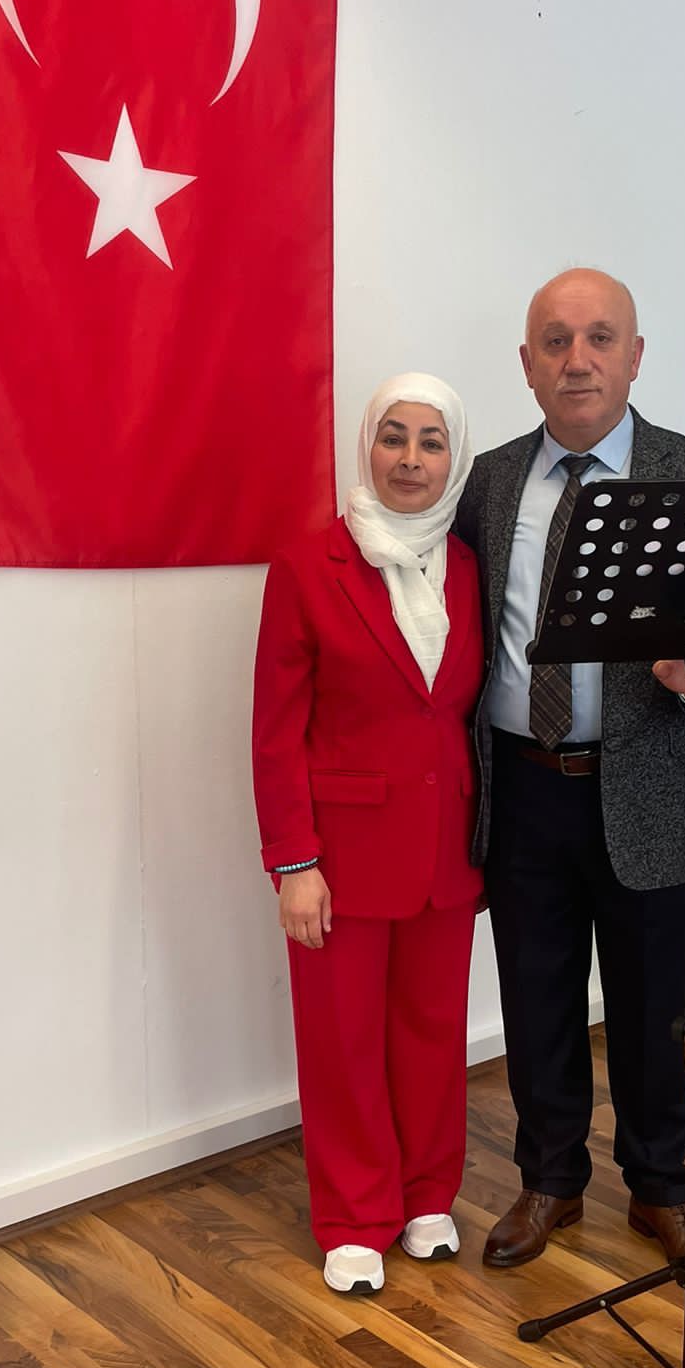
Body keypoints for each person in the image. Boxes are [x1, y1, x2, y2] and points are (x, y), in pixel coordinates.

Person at [456, 268, 685, 1269]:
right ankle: (549, 1177)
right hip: (523, 784)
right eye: (555, 341)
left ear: (636, 356)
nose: (577, 360)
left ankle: (661, 1185)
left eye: (599, 338)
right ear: (528, 364)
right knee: (536, 997)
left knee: (649, 1007)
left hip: (652, 785)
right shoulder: (490, 481)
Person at [253, 375, 484, 1295]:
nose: (411, 459)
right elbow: (275, 732)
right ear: (367, 447)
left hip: (446, 849)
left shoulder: (467, 566)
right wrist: (293, 861)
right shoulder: (308, 566)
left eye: (431, 441)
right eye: (394, 437)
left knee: (432, 1034)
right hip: (338, 859)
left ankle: (427, 1195)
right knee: (342, 1041)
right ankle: (354, 1216)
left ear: (454, 457)